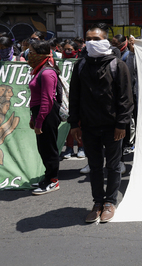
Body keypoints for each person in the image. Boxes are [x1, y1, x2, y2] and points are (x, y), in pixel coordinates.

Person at [68, 24, 133, 223]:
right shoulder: (80, 65)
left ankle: (110, 202)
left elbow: (125, 98)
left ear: (105, 40)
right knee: (95, 166)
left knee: (113, 166)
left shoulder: (116, 65)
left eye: (96, 39)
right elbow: (74, 97)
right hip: (88, 126)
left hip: (113, 126)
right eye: (89, 39)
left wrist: (121, 124)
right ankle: (97, 202)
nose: (92, 42)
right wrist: (74, 124)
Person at [28, 40, 62, 195]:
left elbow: (47, 100)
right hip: (40, 113)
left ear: (40, 54)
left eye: (31, 52)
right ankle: (48, 177)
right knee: (43, 148)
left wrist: (39, 121)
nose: (28, 55)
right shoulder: (40, 70)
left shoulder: (47, 73)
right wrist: (33, 118)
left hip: (47, 114)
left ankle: (53, 180)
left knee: (49, 148)